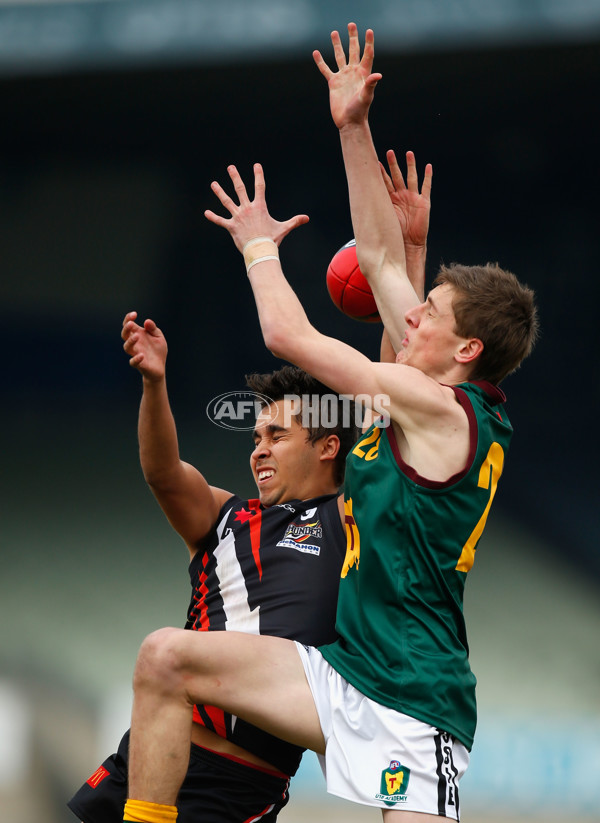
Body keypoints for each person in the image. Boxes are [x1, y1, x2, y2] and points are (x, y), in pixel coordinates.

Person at [121, 26, 538, 823]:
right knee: (165, 657)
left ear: (468, 348)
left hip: (414, 702)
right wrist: (353, 127)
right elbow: (380, 264)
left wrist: (257, 251)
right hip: (343, 670)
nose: (412, 317)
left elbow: (291, 339)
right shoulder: (427, 385)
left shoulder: (438, 406)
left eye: (431, 316)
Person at [69, 124, 432, 823]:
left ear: (329, 447)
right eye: (255, 433)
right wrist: (155, 385)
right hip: (151, 748)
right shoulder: (227, 517)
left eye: (277, 433)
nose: (256, 448)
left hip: (235, 777)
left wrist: (407, 254)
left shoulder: (353, 514)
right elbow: (162, 471)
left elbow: (396, 374)